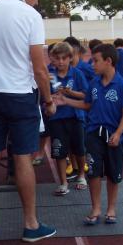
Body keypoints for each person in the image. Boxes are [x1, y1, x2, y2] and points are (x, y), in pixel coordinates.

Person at [0, 0, 56, 242]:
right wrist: (47, 99)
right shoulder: (31, 16)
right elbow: (39, 67)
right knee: (22, 157)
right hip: (19, 93)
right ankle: (31, 224)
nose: (38, 1)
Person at [54, 43, 123, 225]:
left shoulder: (121, 85)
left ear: (108, 61)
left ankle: (111, 208)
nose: (92, 64)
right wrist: (66, 101)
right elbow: (87, 105)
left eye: (96, 61)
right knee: (94, 173)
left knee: (113, 175)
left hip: (113, 136)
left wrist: (118, 133)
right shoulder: (94, 84)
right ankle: (96, 207)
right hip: (93, 135)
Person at [47, 42, 88, 196]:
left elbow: (85, 95)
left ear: (70, 58)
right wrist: (50, 97)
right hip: (57, 118)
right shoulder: (49, 74)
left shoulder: (77, 74)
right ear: (53, 59)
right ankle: (63, 182)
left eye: (65, 58)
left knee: (79, 148)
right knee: (59, 151)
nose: (61, 62)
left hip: (75, 116)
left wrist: (69, 93)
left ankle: (81, 176)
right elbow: (43, 94)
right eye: (58, 58)